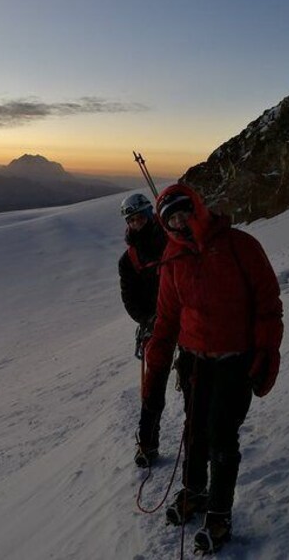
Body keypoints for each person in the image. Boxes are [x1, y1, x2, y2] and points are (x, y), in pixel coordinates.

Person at [144, 183, 283, 554]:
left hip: (235, 360)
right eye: (170, 217)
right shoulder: (173, 259)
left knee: (222, 435)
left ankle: (219, 515)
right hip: (195, 362)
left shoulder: (239, 245)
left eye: (183, 211)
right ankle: (194, 491)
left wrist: (267, 351)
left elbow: (268, 302)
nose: (178, 221)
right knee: (195, 429)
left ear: (198, 208)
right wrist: (156, 361)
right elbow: (168, 317)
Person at [117, 193, 167, 468]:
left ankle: (196, 438)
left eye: (141, 218)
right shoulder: (129, 260)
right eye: (132, 220)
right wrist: (147, 320)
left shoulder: (171, 239)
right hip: (156, 325)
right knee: (154, 386)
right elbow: (130, 298)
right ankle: (148, 444)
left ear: (151, 215)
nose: (137, 223)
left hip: (185, 319)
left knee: (193, 381)